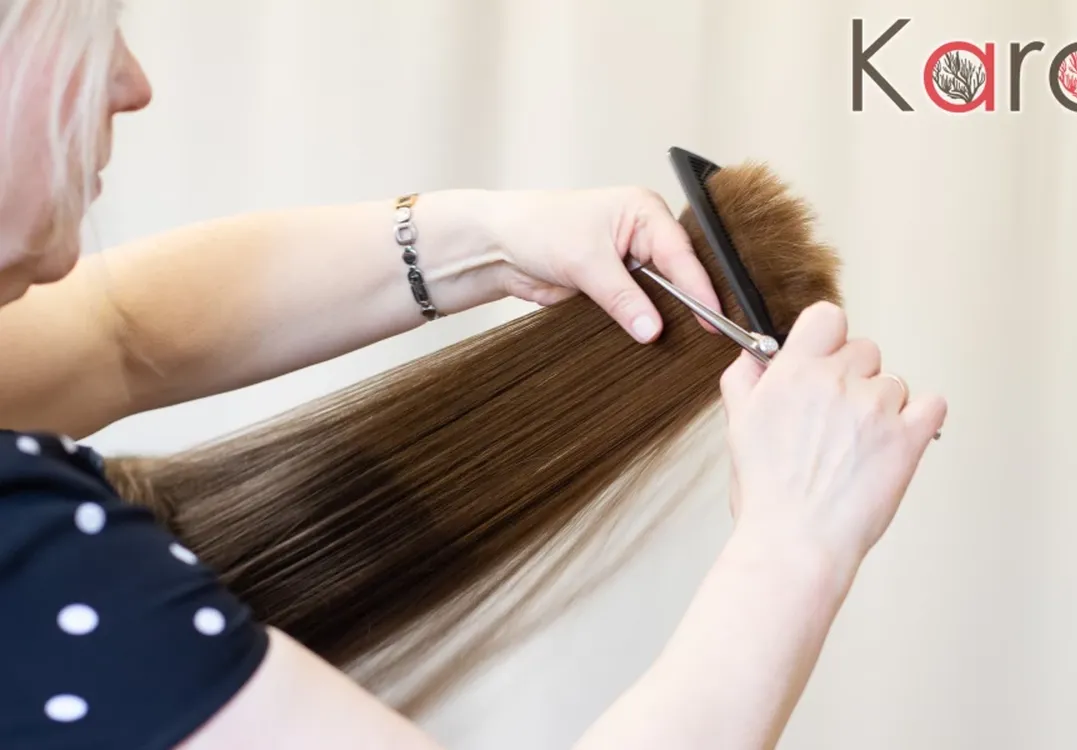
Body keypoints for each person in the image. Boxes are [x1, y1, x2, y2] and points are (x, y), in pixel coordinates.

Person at [0, 3, 948, 748]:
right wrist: (795, 546)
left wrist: (489, 241)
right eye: (85, 27)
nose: (132, 83)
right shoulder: (30, 564)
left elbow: (122, 334)